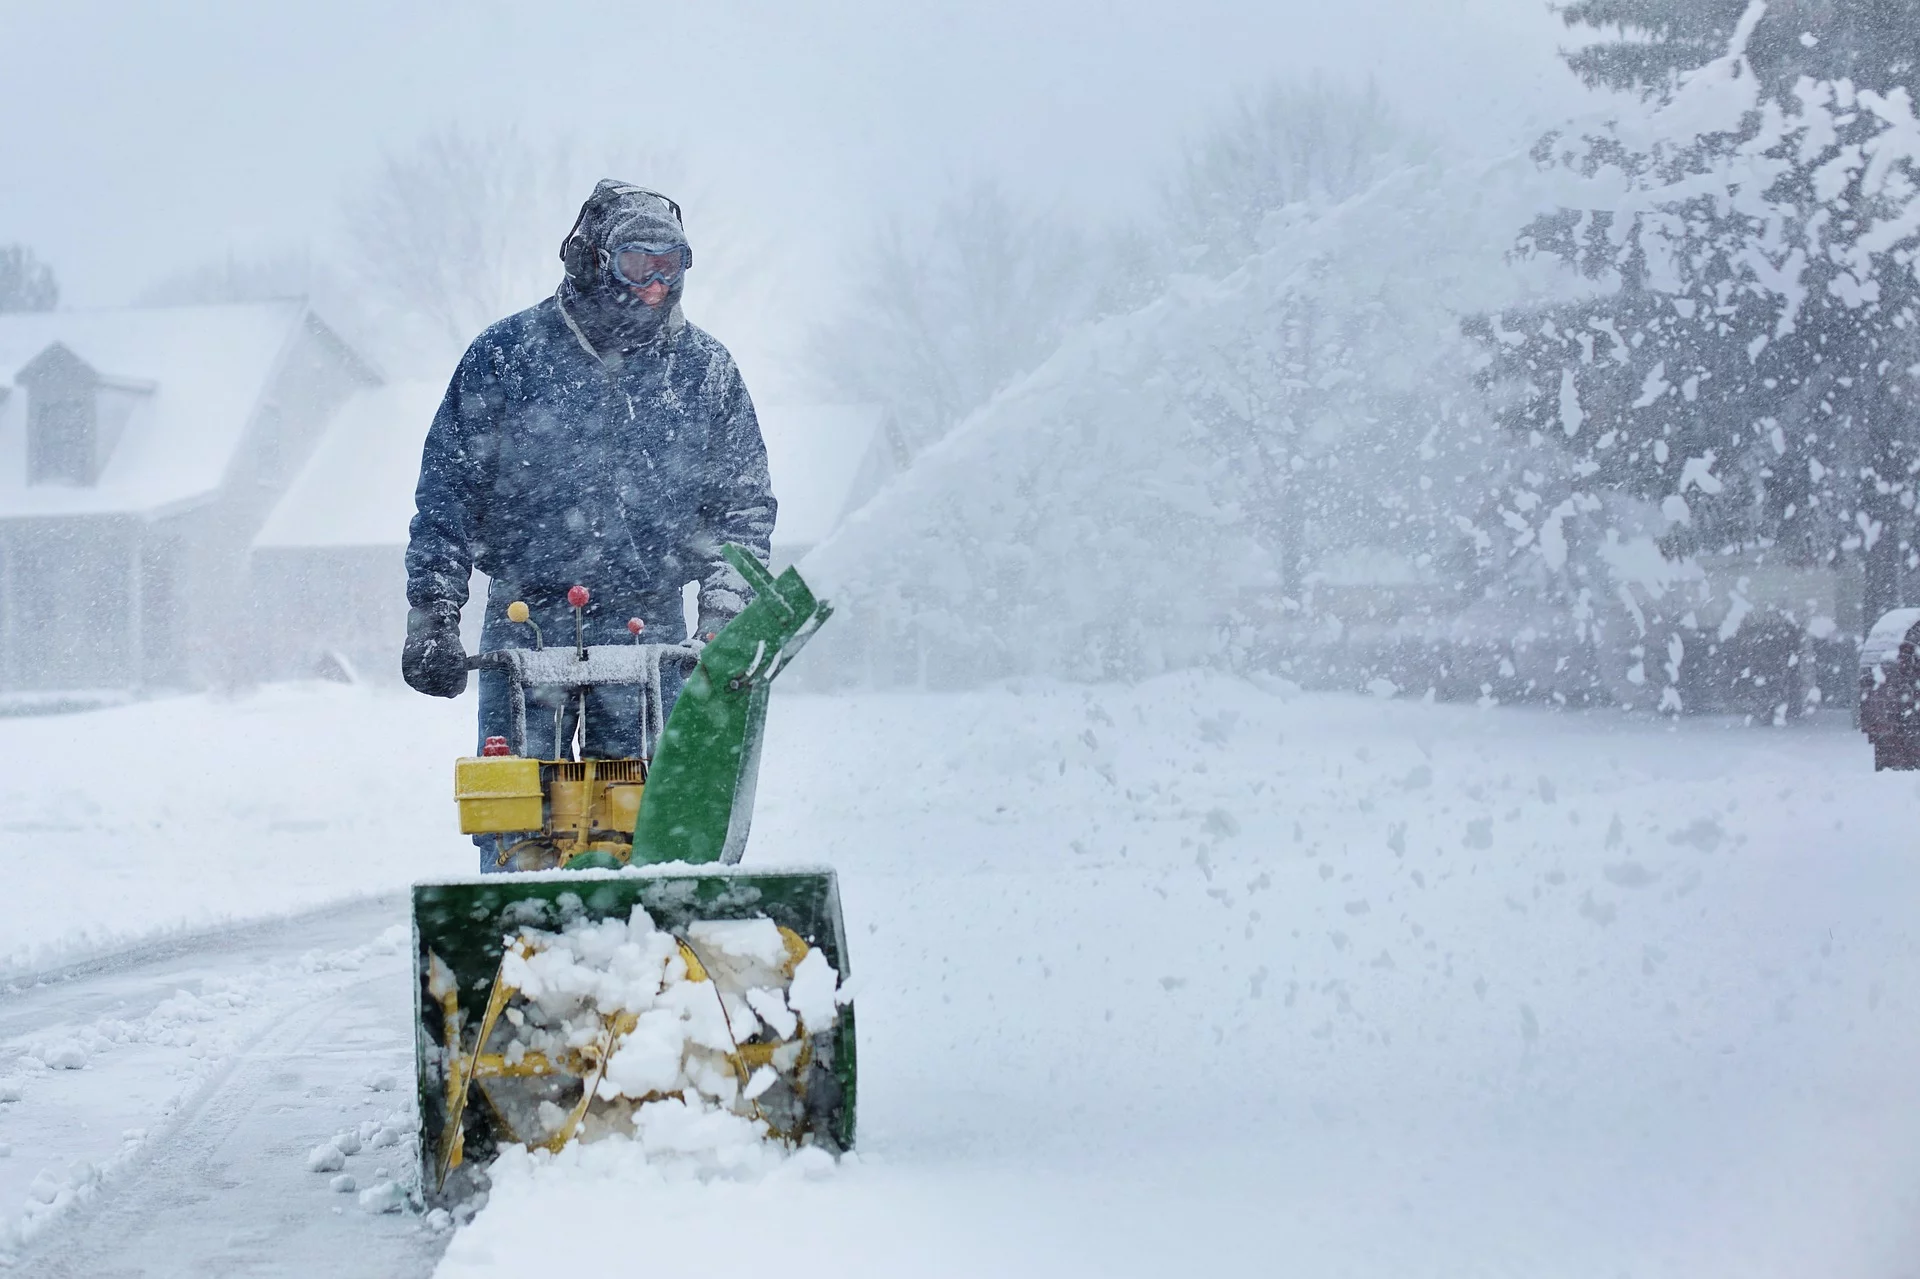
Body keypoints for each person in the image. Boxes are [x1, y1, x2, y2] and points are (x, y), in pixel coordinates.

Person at [401, 181, 776, 818]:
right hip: (525, 618)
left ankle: (631, 914)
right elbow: (448, 493)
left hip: (647, 622)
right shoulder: (508, 356)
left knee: (641, 812)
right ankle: (514, 900)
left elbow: (744, 507)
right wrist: (432, 611)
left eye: (671, 264)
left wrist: (723, 613)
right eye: (638, 262)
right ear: (592, 261)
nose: (655, 283)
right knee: (518, 807)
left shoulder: (703, 371)